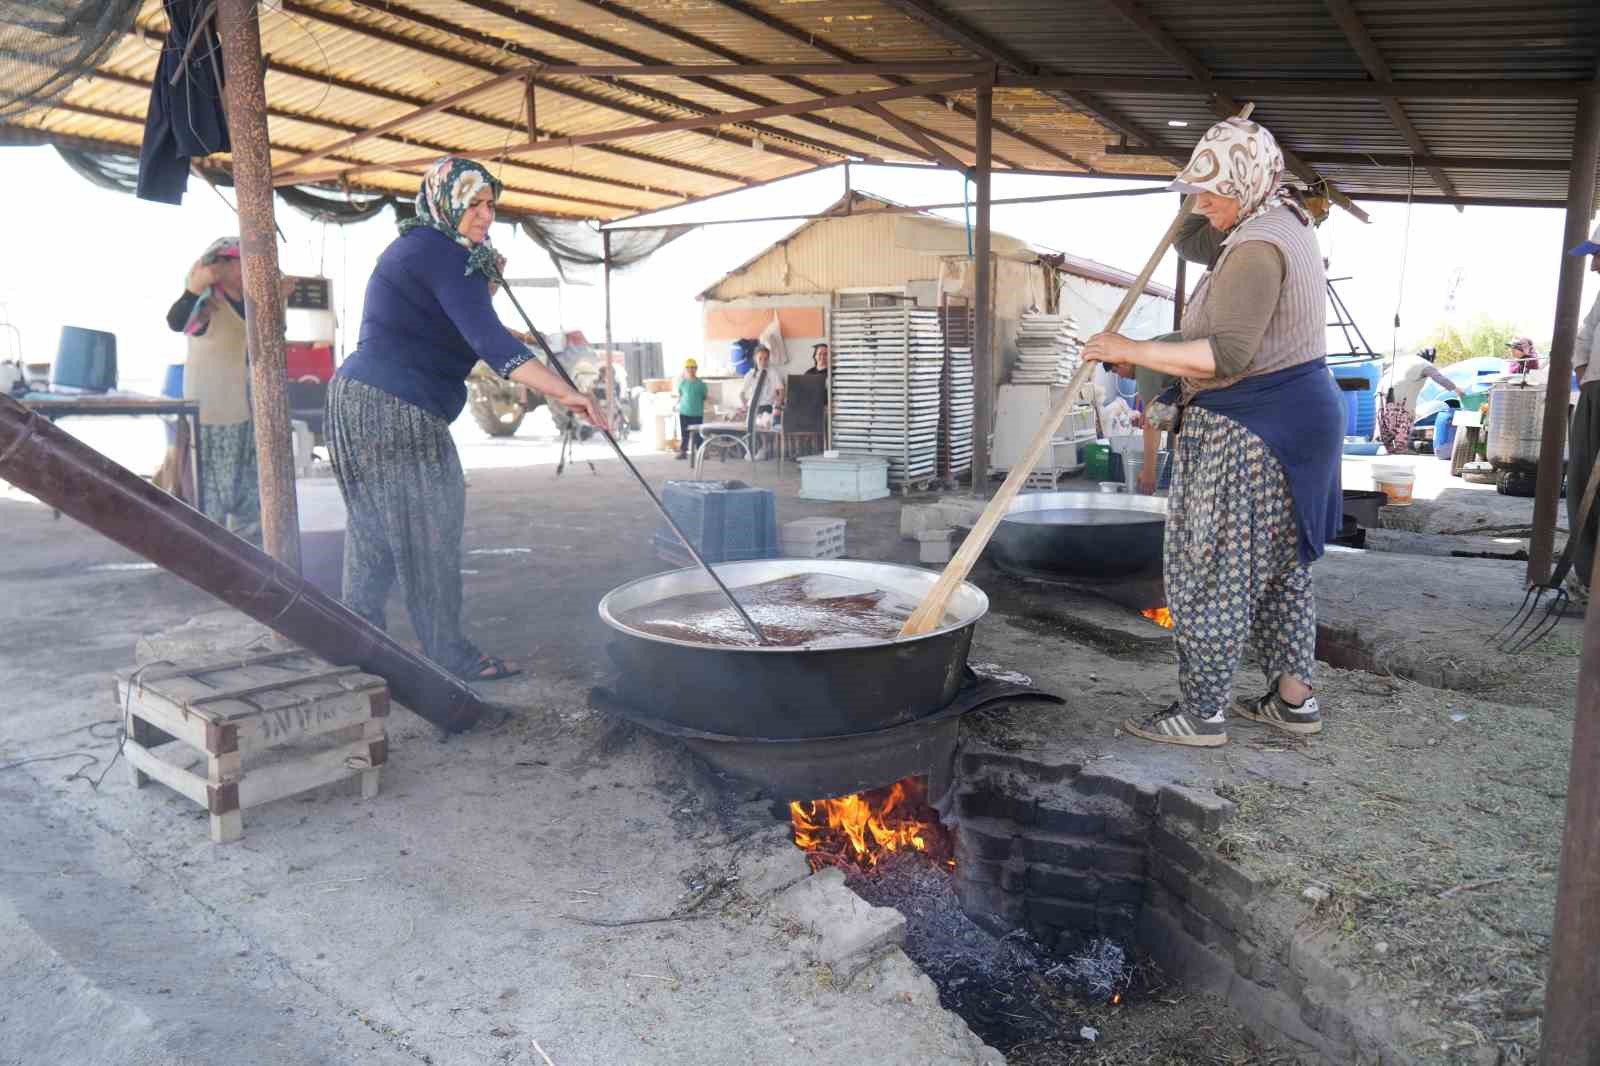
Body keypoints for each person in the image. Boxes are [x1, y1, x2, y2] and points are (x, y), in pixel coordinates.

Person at [1082, 116, 1344, 749]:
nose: (1197, 204)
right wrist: (1146, 355)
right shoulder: (1278, 216)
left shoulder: (1257, 248)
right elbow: (1196, 240)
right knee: (1281, 569)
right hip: (1295, 422)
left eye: (1209, 190)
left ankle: (1201, 714)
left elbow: (1226, 356)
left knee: (1212, 570)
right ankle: (1293, 701)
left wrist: (1130, 344)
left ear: (1246, 184)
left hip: (1251, 428)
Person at [326, 157, 606, 683]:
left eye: (490, 204)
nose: (484, 215)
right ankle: (448, 656)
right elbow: (489, 343)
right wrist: (566, 392)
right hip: (395, 407)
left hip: (354, 400)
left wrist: (487, 284)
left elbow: (454, 327)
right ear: (446, 201)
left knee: (373, 532)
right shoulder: (441, 252)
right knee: (432, 527)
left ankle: (355, 646)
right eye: (473, 204)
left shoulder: (424, 248)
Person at [164, 236, 276, 542]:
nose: (246, 270)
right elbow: (175, 322)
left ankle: (251, 563)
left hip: (247, 415)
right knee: (207, 502)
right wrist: (194, 287)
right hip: (210, 420)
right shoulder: (206, 304)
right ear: (220, 267)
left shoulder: (250, 304)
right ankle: (208, 559)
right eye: (239, 262)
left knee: (250, 500)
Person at [1564, 224, 1600, 606]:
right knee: (1582, 484)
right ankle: (1589, 578)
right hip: (1594, 389)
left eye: (1596, 255)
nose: (1592, 267)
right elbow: (1585, 334)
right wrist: (1582, 370)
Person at [1378, 348, 1464, 455]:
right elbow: (1440, 378)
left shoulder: (1405, 359)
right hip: (1400, 391)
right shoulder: (1425, 364)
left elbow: (1384, 366)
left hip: (1382, 388)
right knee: (1406, 417)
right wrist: (1457, 389)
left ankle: (1388, 447)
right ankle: (1400, 448)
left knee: (1385, 416)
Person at [740, 344, 782, 458]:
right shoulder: (750, 374)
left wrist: (778, 405)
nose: (763, 361)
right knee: (750, 427)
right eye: (760, 359)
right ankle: (752, 449)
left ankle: (763, 449)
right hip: (753, 406)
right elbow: (742, 392)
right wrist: (744, 404)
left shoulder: (772, 373)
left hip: (767, 405)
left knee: (763, 425)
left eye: (766, 359)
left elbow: (780, 390)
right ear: (755, 359)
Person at [674, 358, 707, 460]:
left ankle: (701, 452)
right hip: (684, 412)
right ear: (685, 369)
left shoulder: (701, 384)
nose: (690, 369)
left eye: (693, 367)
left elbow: (704, 397)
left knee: (698, 435)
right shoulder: (682, 383)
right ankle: (683, 452)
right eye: (688, 367)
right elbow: (680, 396)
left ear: (696, 369)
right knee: (685, 434)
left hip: (697, 413)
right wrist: (675, 405)